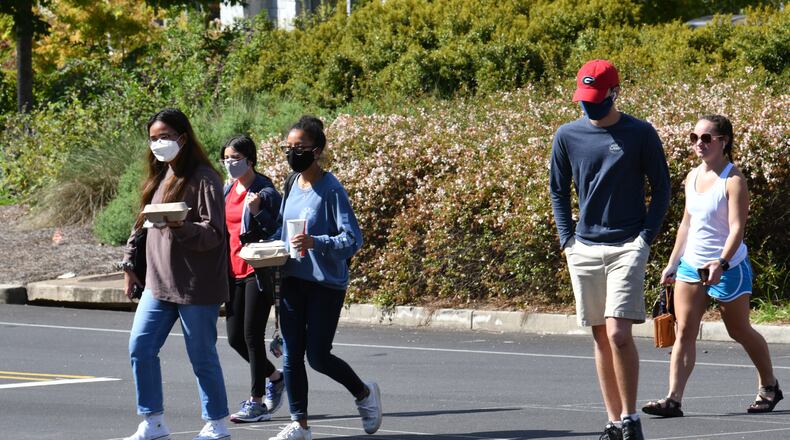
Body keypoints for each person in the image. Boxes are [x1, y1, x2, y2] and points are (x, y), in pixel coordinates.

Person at [549, 60, 671, 440]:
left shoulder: (640, 133)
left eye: (597, 98)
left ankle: (632, 419)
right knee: (600, 336)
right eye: (584, 98)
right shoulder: (567, 136)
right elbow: (558, 189)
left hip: (627, 247)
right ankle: (614, 422)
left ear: (615, 93)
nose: (589, 105)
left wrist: (645, 239)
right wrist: (567, 240)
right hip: (583, 248)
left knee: (620, 333)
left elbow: (662, 187)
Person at [642, 115, 783, 418]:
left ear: (724, 141)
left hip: (728, 266)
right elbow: (686, 224)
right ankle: (673, 399)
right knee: (684, 333)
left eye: (706, 138)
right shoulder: (692, 177)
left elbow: (736, 230)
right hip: (692, 265)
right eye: (694, 137)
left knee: (739, 330)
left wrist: (721, 261)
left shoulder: (733, 180)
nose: (698, 144)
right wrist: (673, 263)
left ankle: (770, 385)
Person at [266, 116, 381, 440]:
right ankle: (299, 423)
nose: (292, 153)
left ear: (316, 151)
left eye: (299, 148)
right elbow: (283, 228)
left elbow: (353, 239)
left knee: (317, 356)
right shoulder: (291, 182)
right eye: (288, 147)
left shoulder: (331, 189)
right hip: (291, 278)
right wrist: (269, 246)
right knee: (291, 354)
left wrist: (318, 242)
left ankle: (363, 393)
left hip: (325, 284)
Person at [121, 108, 231, 440]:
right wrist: (129, 263)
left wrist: (180, 227)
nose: (159, 144)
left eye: (165, 137)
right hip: (157, 282)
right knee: (140, 346)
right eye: (154, 138)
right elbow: (140, 225)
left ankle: (217, 424)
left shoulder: (204, 178)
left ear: (183, 138)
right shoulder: (159, 176)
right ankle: (153, 421)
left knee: (201, 355)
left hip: (196, 285)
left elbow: (214, 233)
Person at [220, 135, 285, 423]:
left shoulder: (266, 191)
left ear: (250, 160)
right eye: (226, 158)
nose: (230, 163)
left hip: (258, 272)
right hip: (232, 271)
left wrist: (257, 211)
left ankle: (256, 402)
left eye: (235, 158)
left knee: (252, 336)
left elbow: (277, 231)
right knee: (235, 339)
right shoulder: (227, 189)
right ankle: (275, 376)